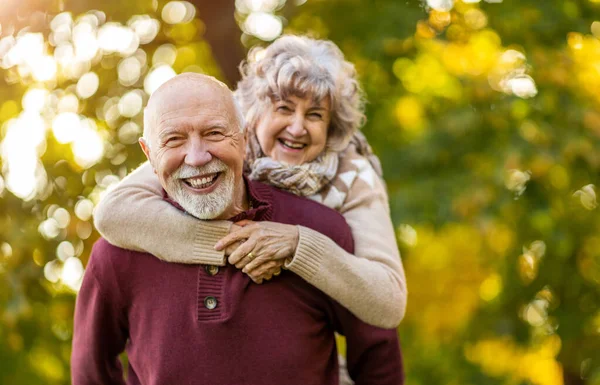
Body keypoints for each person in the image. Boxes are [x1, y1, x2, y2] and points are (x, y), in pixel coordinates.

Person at [71, 74, 403, 385]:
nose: (197, 157)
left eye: (214, 133)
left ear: (245, 140)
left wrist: (298, 247)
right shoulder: (117, 254)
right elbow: (90, 373)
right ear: (149, 154)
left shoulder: (320, 227)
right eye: (173, 140)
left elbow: (379, 360)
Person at [94, 35, 407, 329]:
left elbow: (388, 300)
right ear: (252, 114)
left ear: (332, 127)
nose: (297, 128)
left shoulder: (353, 176)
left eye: (314, 115)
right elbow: (114, 212)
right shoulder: (217, 144)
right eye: (284, 108)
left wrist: (297, 245)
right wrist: (237, 243)